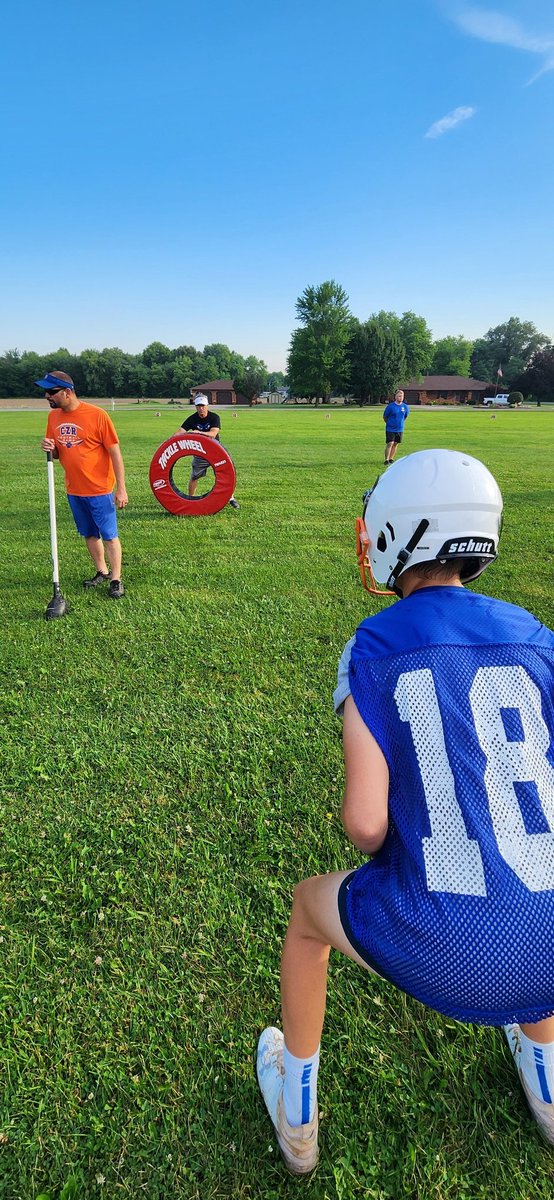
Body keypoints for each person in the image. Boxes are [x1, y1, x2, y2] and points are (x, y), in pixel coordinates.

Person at [256, 448, 554, 1174]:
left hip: (451, 949)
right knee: (534, 886)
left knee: (306, 913)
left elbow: (366, 825)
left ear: (394, 534)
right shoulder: (537, 635)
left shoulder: (374, 645)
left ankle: (297, 1115)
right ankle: (548, 1082)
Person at [37, 370, 128, 598]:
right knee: (89, 533)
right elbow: (59, 452)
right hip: (74, 489)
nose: (47, 396)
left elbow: (115, 452)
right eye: (45, 392)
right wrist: (51, 448)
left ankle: (116, 579)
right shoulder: (53, 417)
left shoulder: (97, 415)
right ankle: (102, 571)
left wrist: (121, 488)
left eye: (51, 392)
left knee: (108, 535)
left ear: (67, 392)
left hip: (100, 489)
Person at [178, 395, 239, 508]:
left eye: (203, 406)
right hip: (200, 452)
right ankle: (190, 500)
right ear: (195, 407)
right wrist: (167, 443)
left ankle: (231, 498)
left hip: (216, 451)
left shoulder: (214, 417)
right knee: (194, 476)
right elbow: (180, 432)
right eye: (198, 406)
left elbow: (213, 434)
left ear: (207, 406)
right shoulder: (192, 419)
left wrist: (197, 433)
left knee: (226, 475)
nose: (201, 408)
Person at [382, 388, 409, 464]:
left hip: (399, 429)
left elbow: (405, 416)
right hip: (390, 429)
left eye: (402, 396)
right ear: (396, 397)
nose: (401, 397)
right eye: (399, 396)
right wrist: (389, 423)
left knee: (395, 443)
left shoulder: (405, 407)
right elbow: (385, 417)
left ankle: (391, 458)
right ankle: (386, 459)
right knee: (390, 443)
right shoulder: (390, 406)